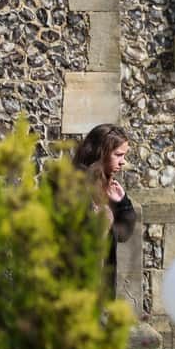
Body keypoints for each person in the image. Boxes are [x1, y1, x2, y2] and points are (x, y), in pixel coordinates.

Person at [73, 124, 137, 293]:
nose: (123, 161)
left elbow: (124, 235)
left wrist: (123, 203)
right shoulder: (71, 185)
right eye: (118, 155)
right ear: (100, 153)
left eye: (124, 155)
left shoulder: (106, 185)